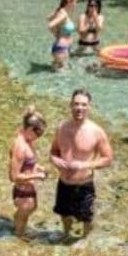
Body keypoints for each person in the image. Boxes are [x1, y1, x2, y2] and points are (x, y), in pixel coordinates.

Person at [50, 88, 114, 240]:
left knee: (86, 217)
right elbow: (53, 152)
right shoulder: (61, 128)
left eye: (84, 105)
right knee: (64, 213)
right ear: (70, 105)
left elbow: (108, 158)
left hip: (84, 184)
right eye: (76, 104)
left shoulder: (96, 131)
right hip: (64, 182)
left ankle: (85, 239)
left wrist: (84, 165)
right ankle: (65, 234)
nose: (80, 108)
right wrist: (56, 160)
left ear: (89, 107)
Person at [8, 106, 48, 238]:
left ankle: (18, 225)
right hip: (22, 192)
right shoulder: (20, 147)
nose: (39, 137)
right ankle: (18, 237)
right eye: (39, 134)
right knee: (25, 211)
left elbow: (27, 163)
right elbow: (13, 177)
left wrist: (37, 166)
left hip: (27, 188)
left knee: (30, 208)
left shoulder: (26, 137)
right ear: (30, 129)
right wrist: (36, 175)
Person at [47, 0, 78, 70]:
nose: (75, 5)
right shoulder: (63, 14)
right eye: (75, 2)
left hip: (62, 47)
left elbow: (48, 18)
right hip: (61, 47)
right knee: (62, 74)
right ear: (69, 2)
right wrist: (56, 34)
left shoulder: (61, 11)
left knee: (60, 70)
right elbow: (50, 25)